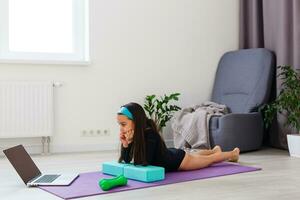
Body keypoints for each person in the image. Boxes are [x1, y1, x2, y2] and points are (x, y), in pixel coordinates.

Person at [117, 102, 240, 172]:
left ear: (137, 122)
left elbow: (144, 163)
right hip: (172, 154)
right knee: (196, 155)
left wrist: (130, 142)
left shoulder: (150, 135)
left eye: (123, 124)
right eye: (119, 125)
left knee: (211, 160)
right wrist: (126, 144)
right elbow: (127, 162)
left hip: (180, 162)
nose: (121, 128)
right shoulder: (136, 135)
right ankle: (214, 150)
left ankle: (232, 154)